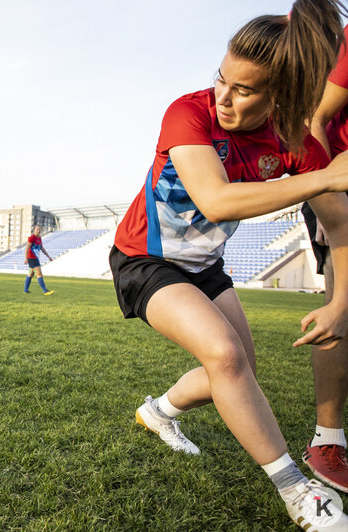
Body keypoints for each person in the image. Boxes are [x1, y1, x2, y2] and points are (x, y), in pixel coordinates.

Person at [110, 2, 348, 529]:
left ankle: (159, 412)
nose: (223, 96)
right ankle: (299, 494)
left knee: (239, 372)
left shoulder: (293, 142)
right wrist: (325, 177)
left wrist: (341, 303)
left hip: (205, 265)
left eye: (243, 90)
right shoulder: (187, 112)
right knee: (226, 356)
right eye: (222, 78)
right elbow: (216, 201)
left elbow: (342, 228)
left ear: (279, 97)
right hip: (144, 259)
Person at [303, 21, 348, 494]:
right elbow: (313, 118)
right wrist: (324, 188)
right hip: (341, 187)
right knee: (342, 310)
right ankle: (327, 439)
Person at [23, 225, 54, 295]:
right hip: (31, 258)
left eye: (39, 229)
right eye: (37, 229)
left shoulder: (39, 238)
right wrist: (26, 258)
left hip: (36, 258)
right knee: (39, 273)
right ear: (34, 230)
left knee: (31, 274)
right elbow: (27, 248)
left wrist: (48, 256)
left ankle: (25, 290)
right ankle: (45, 291)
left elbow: (41, 248)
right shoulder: (31, 238)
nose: (38, 231)